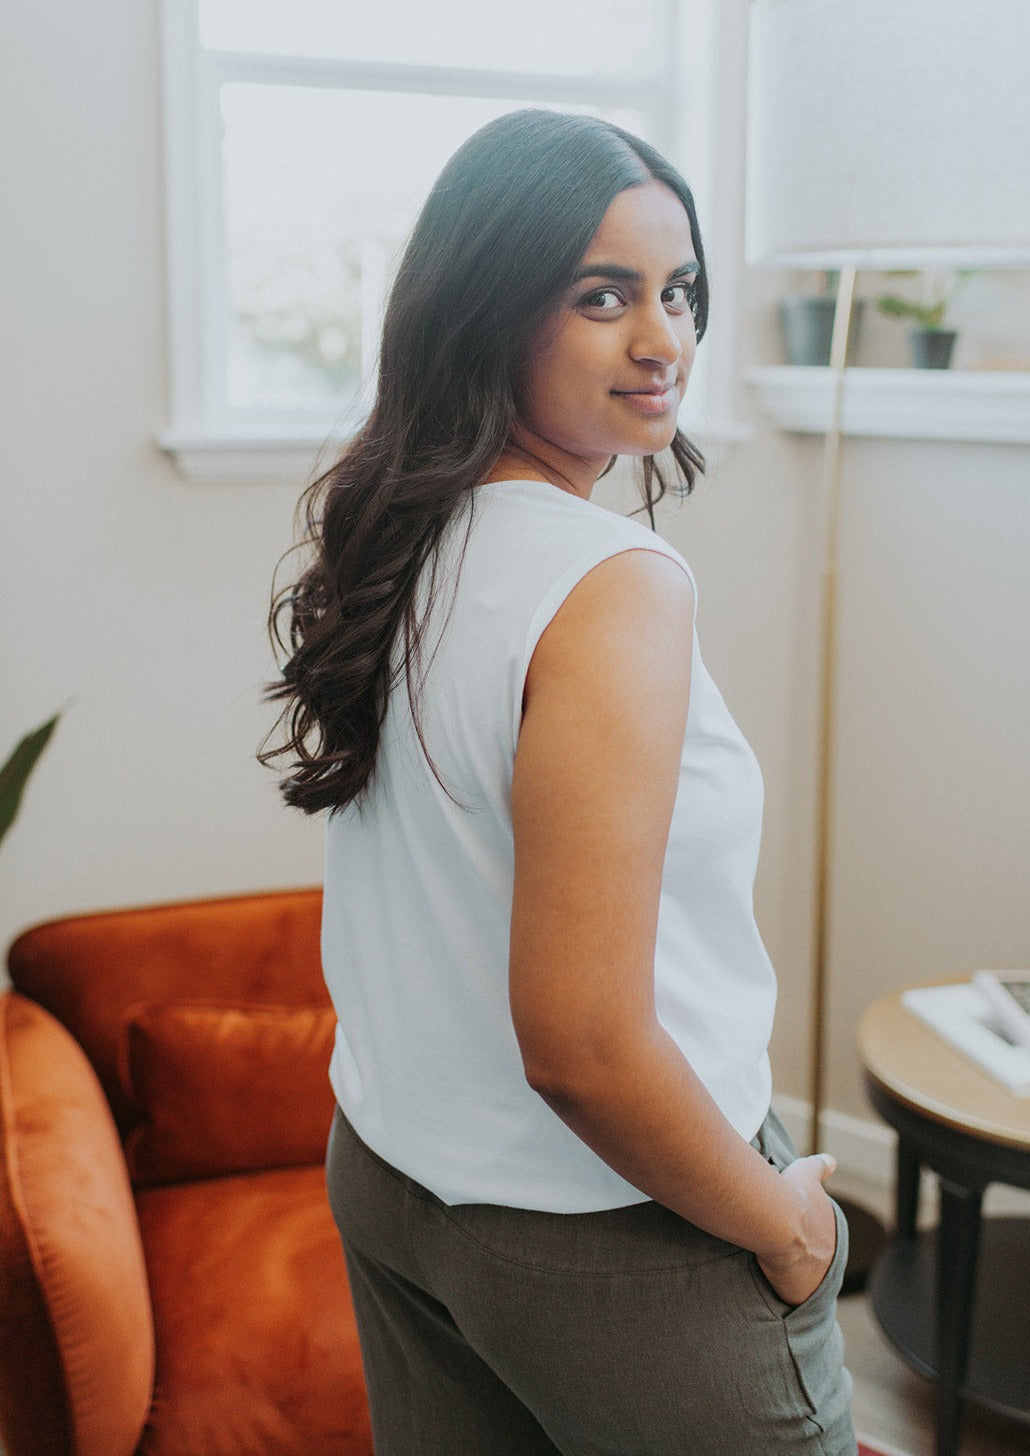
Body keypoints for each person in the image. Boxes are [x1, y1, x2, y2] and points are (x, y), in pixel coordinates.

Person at [263, 108, 856, 1455]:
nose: (664, 340)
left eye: (679, 291)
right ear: (484, 310)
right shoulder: (613, 591)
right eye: (603, 296)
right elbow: (581, 1043)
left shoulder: (403, 534)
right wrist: (785, 1221)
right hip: (618, 1233)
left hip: (394, 1177)